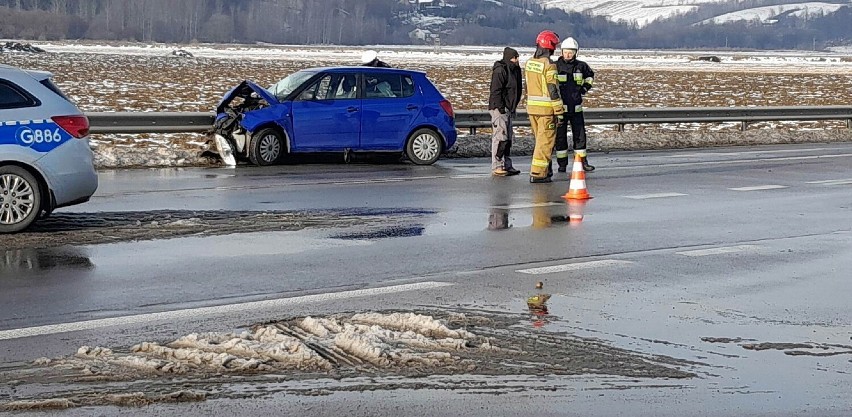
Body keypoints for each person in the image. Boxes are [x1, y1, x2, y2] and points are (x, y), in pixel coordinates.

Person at [524, 30, 564, 184]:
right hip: (547, 110)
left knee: (539, 141)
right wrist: (559, 111)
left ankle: (546, 169)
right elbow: (553, 90)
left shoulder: (529, 63)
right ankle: (538, 173)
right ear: (550, 46)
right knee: (545, 142)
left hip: (532, 109)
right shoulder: (549, 65)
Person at [554, 37, 596, 172]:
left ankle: (582, 162)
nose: (568, 54)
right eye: (565, 52)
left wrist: (584, 88)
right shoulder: (555, 66)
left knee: (580, 136)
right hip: (560, 109)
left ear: (576, 52)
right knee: (560, 138)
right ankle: (562, 164)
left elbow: (590, 77)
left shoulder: (581, 66)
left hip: (576, 109)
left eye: (571, 52)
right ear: (561, 52)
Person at [488, 47, 523, 177]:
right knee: (500, 137)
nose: (517, 60)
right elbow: (495, 90)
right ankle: (497, 165)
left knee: (508, 138)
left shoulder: (515, 70)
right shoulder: (500, 70)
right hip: (500, 108)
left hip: (509, 108)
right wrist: (500, 107)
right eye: (515, 57)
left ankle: (507, 164)